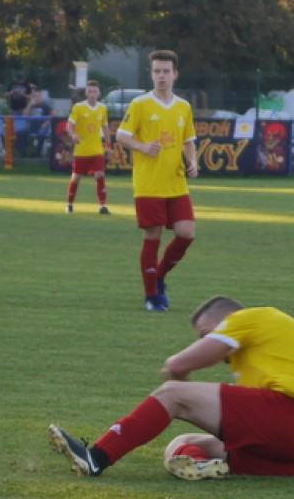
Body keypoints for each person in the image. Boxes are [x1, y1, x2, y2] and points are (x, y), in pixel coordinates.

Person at [49, 295, 294, 482]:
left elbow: (179, 366)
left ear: (226, 320)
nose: (204, 341)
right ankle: (198, 463)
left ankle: (96, 458)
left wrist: (180, 387)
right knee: (184, 442)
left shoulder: (249, 318)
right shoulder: (290, 359)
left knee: (172, 393)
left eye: (205, 333)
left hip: (288, 419)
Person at [116, 49, 199, 312]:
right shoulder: (140, 104)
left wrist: (193, 161)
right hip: (149, 183)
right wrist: (141, 146)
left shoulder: (183, 107)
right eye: (156, 71)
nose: (161, 76)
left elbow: (188, 140)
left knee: (187, 234)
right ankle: (151, 295)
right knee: (153, 235)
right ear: (151, 74)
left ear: (175, 74)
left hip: (175, 183)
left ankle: (159, 275)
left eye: (165, 71)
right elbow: (121, 135)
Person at [65, 79, 112, 214]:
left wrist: (108, 146)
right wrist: (73, 135)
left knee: (100, 175)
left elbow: (105, 128)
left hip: (97, 149)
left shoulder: (102, 108)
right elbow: (69, 125)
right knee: (76, 177)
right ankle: (69, 204)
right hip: (81, 150)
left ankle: (103, 205)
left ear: (99, 93)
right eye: (90, 91)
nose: (92, 94)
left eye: (95, 91)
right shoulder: (78, 107)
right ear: (86, 92)